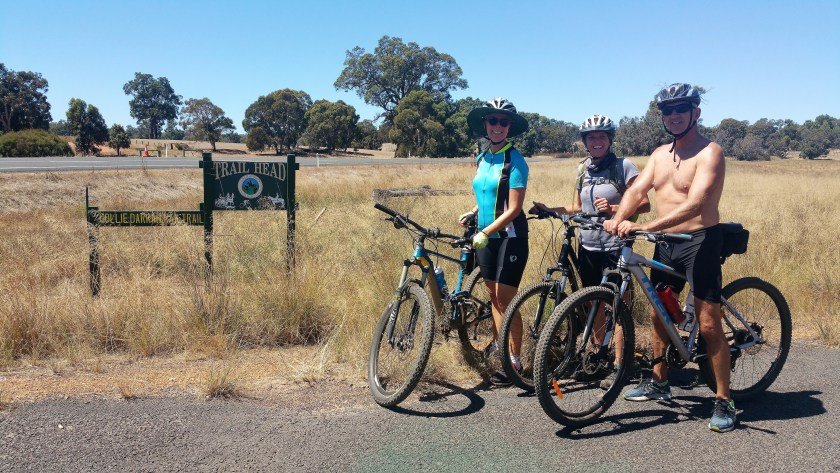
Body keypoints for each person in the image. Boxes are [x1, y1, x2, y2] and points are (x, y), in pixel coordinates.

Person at [603, 83, 735, 433]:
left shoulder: (711, 152)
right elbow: (637, 189)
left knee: (708, 324)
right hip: (665, 241)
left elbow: (696, 203)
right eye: (667, 111)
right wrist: (619, 219)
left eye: (681, 109)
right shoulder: (661, 154)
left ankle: (724, 400)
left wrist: (644, 225)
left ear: (696, 112)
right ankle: (659, 381)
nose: (673, 116)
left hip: (700, 241)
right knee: (658, 312)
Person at [531, 114, 649, 388]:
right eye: (591, 137)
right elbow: (577, 207)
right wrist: (550, 209)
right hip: (588, 245)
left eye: (601, 136)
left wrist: (615, 210)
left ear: (610, 140)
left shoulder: (624, 166)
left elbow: (644, 205)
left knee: (618, 307)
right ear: (585, 142)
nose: (596, 141)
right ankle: (598, 356)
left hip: (616, 246)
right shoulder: (583, 169)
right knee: (591, 304)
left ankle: (621, 364)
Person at [459, 97, 530, 387]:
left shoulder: (516, 160)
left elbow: (513, 208)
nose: (497, 126)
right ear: (485, 125)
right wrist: (474, 212)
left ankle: (514, 362)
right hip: (484, 235)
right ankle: (500, 348)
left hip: (508, 237)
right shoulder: (482, 157)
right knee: (493, 297)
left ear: (509, 126)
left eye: (503, 122)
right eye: (492, 121)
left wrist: (486, 231)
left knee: (506, 299)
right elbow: (487, 194)